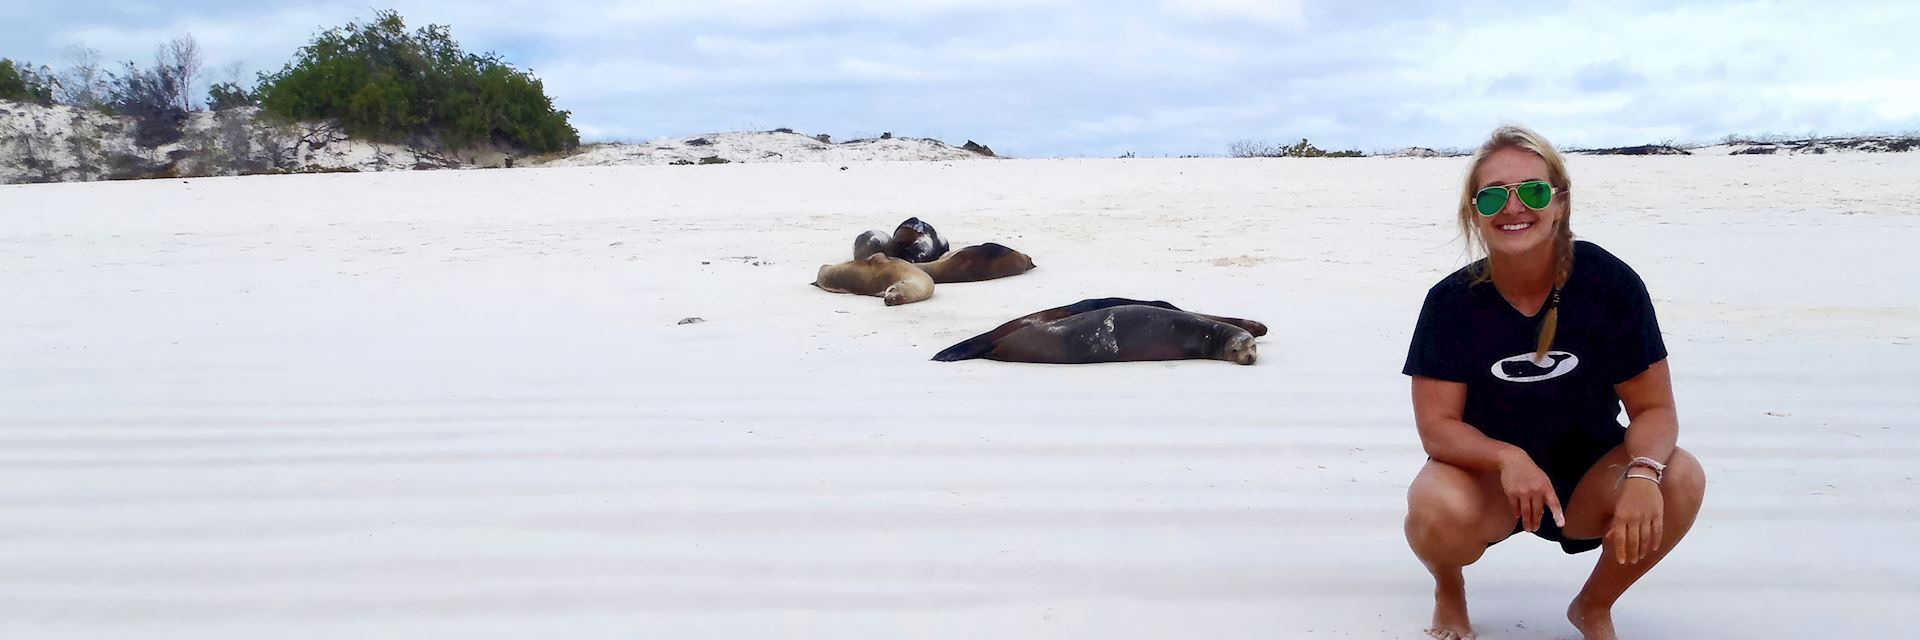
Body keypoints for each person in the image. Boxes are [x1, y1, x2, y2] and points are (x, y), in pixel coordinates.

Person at [1400, 125, 1708, 640]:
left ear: (1560, 203)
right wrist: (1507, 457)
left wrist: (1644, 472)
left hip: (1589, 475)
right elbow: (1437, 427)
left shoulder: (1609, 285)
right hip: (1491, 484)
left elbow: (1654, 409)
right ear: (1474, 212)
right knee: (1432, 507)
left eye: (1534, 191)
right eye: (1494, 195)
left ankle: (1592, 605)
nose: (1514, 207)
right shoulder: (1450, 303)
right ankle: (1448, 588)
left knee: (1681, 478)